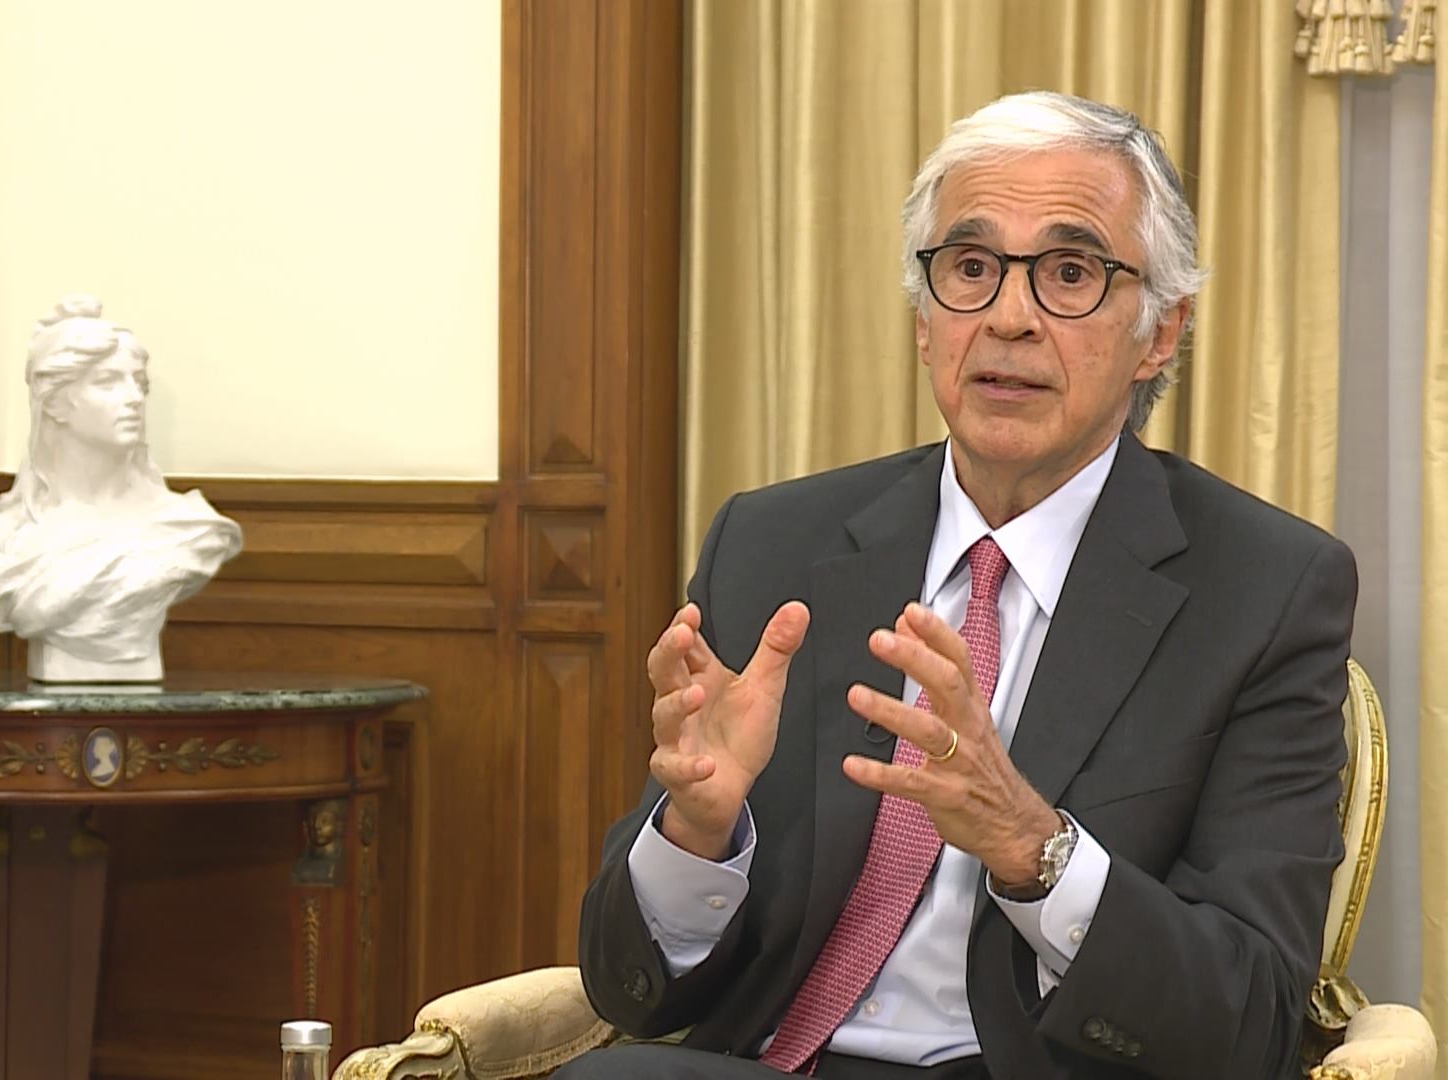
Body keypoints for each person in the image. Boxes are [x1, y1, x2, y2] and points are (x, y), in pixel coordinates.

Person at [566, 92, 1357, 1080]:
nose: (1009, 319)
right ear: (924, 320)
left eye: (1071, 274)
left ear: (1161, 332)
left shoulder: (1264, 590)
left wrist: (1032, 846)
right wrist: (696, 832)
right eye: (972, 269)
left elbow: (1253, 1019)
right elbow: (627, 993)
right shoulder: (774, 545)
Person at [0, 295, 241, 682]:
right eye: (108, 382)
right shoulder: (6, 541)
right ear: (55, 403)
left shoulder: (187, 527)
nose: (134, 399)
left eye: (139, 383)